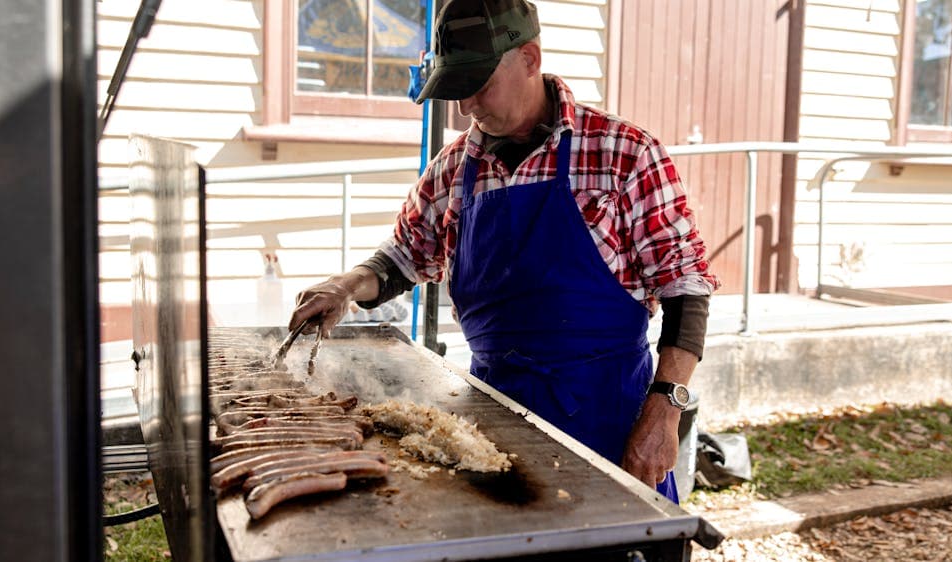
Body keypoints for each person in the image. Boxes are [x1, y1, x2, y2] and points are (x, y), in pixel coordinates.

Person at [288, 0, 719, 503]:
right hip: (492, 417)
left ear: (530, 58)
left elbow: (686, 289)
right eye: (456, 92)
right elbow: (402, 257)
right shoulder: (453, 170)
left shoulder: (624, 153)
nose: (467, 107)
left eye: (479, 85)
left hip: (609, 419)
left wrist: (665, 409)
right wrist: (344, 286)